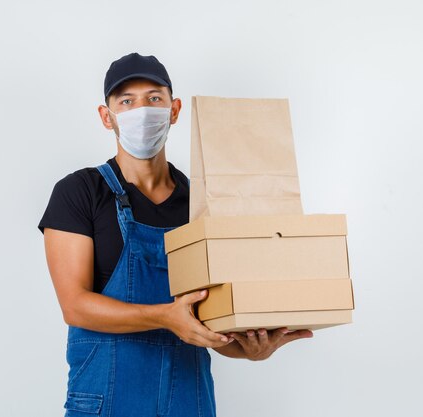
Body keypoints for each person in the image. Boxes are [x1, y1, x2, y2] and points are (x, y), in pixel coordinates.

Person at [38, 52, 313, 417]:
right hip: (107, 401)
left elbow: (209, 318)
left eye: (154, 98)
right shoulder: (80, 192)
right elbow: (74, 305)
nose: (142, 110)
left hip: (188, 400)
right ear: (107, 116)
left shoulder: (202, 201)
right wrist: (166, 316)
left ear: (174, 109)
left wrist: (249, 348)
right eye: (127, 101)